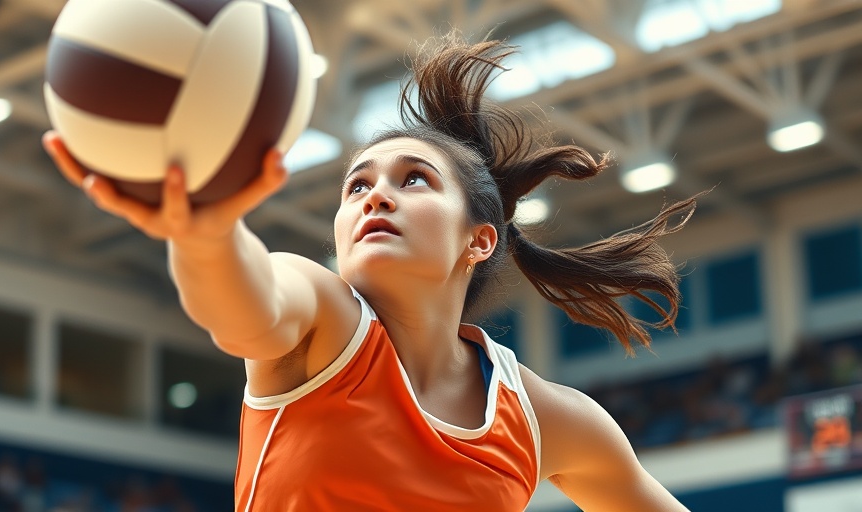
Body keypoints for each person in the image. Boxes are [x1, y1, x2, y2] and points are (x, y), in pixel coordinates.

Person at [44, 33, 697, 512]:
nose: (375, 197)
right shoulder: (322, 320)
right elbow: (240, 304)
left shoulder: (545, 420)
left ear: (479, 239)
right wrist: (203, 235)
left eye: (414, 180)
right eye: (356, 187)